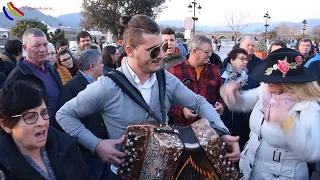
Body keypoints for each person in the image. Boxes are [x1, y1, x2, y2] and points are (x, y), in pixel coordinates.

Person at [56, 14, 240, 179]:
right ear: (130, 51)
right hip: (122, 175)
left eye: (162, 47)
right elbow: (64, 114)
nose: (161, 55)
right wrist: (96, 145)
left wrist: (221, 132)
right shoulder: (107, 86)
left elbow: (199, 102)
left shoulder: (166, 79)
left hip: (164, 172)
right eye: (153, 50)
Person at [220, 48, 320, 179]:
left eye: (272, 78)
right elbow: (243, 103)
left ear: (291, 82)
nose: (266, 81)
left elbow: (312, 150)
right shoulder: (266, 91)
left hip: (284, 175)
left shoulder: (308, 105)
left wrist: (287, 123)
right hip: (250, 168)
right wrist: (232, 94)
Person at [0, 80, 94, 179]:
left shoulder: (65, 143)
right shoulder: (4, 170)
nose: (42, 123)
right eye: (30, 117)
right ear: (5, 125)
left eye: (44, 113)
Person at [58, 49, 108, 180]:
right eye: (101, 63)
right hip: (88, 149)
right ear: (92, 66)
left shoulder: (102, 81)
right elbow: (65, 119)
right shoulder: (71, 87)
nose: (103, 66)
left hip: (104, 143)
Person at [5, 28, 63, 130]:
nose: (43, 49)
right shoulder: (17, 77)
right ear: (25, 47)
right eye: (37, 46)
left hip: (60, 131)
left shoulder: (51, 69)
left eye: (45, 45)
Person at [168, 35, 225, 126]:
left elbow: (222, 95)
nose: (210, 55)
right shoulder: (176, 71)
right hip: (184, 128)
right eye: (207, 52)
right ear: (194, 51)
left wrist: (221, 105)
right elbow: (166, 101)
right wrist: (182, 110)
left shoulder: (214, 70)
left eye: (211, 51)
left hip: (210, 128)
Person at [220, 48, 257, 150]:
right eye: (242, 59)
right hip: (221, 124)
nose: (245, 62)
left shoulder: (250, 79)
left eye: (246, 59)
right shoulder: (220, 75)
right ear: (232, 60)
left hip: (241, 127)